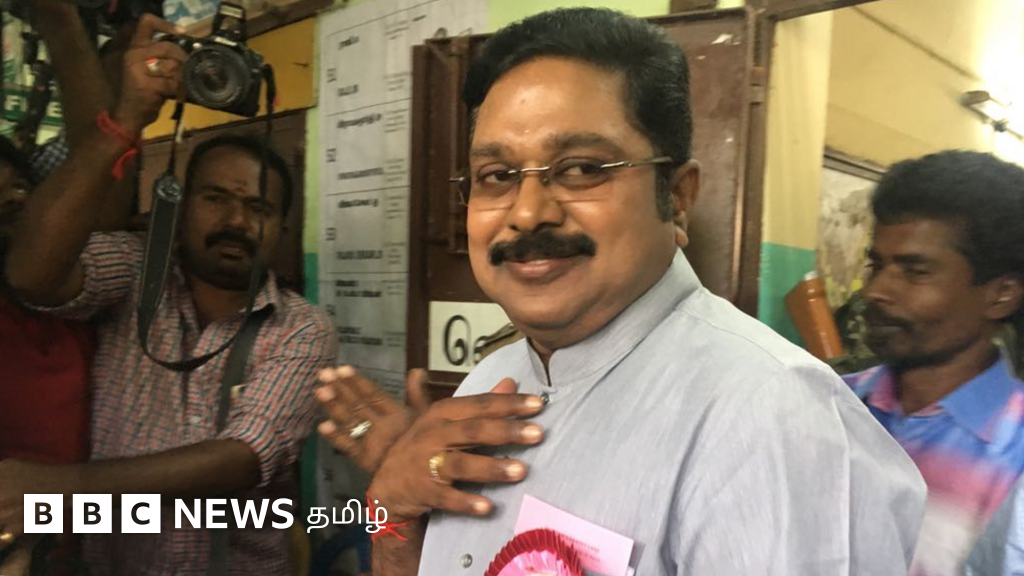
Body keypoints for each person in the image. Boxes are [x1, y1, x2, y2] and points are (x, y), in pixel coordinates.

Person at [316, 8, 925, 575]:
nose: (526, 213)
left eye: (582, 168)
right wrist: (390, 510)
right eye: (497, 176)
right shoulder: (489, 383)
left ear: (677, 197)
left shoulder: (772, 421)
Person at [0, 16, 336, 576]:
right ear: (177, 207)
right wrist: (127, 119)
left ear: (281, 230)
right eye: (215, 199)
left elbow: (243, 458)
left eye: (258, 208)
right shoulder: (134, 272)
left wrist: (59, 490)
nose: (236, 221)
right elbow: (32, 275)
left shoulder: (302, 327)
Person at [841, 150, 1024, 576]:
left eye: (915, 271)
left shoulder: (1015, 452)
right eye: (876, 265)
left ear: (1000, 295)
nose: (876, 291)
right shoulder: (829, 404)